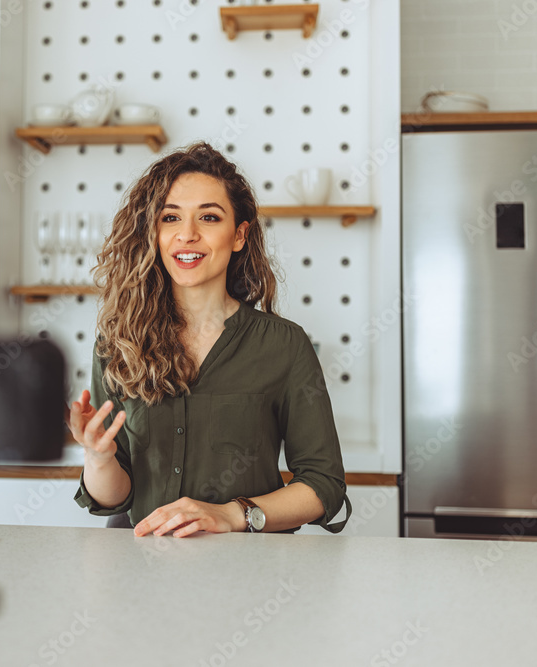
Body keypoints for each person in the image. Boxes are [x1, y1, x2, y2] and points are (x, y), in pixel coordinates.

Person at [68, 142, 350, 537]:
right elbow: (115, 497)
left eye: (209, 217)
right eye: (170, 218)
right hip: (142, 566)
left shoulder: (285, 346)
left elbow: (324, 485)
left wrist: (232, 514)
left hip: (250, 572)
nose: (187, 234)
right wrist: (99, 459)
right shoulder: (118, 344)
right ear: (154, 233)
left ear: (238, 236)